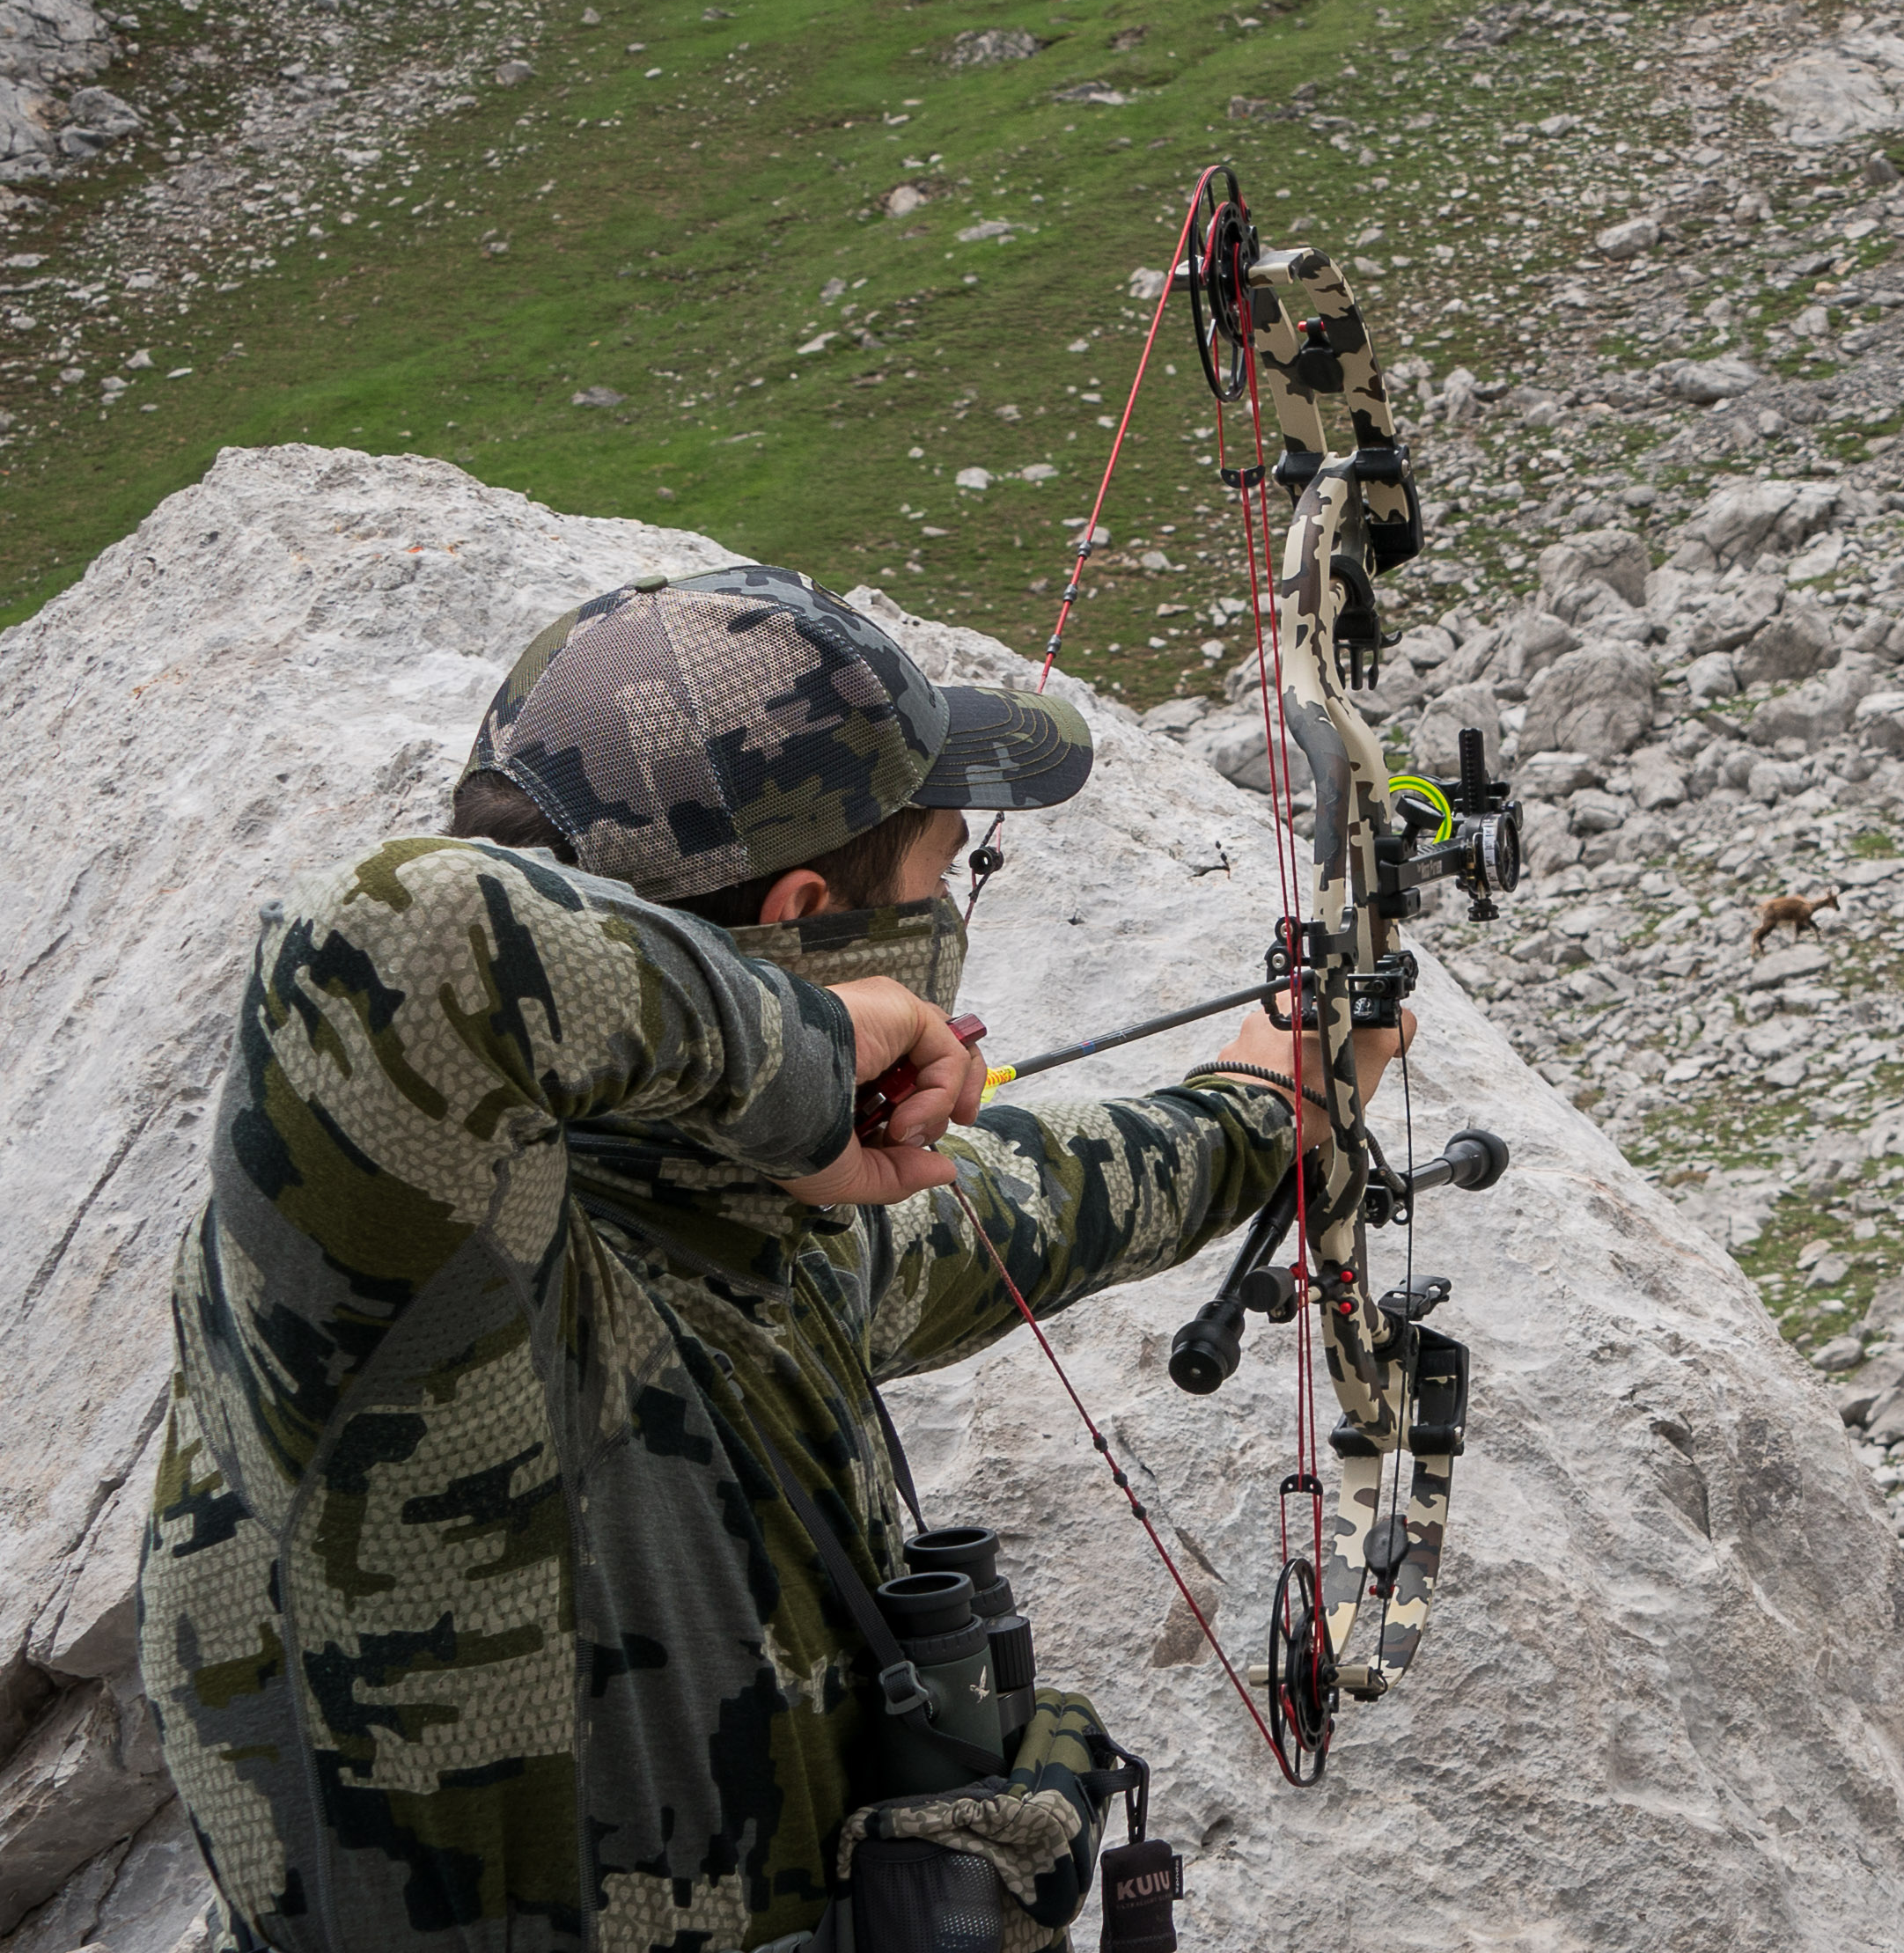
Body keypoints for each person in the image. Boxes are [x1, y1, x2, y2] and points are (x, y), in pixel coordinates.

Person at [137, 564, 1388, 1953]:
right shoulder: (438, 1311)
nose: (951, 919)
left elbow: (1024, 1203)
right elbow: (395, 936)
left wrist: (1262, 1108)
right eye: (942, 873)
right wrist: (800, 1061)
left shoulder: (726, 1219)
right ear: (803, 922)